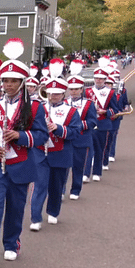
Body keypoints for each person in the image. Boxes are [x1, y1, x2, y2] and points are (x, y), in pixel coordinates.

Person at [0, 39, 48, 267]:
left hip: (21, 164)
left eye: (13, 81)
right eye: (5, 80)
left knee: (16, 209)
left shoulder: (35, 107)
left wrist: (21, 136)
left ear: (22, 82)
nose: (8, 84)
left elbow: (41, 136)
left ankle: (11, 244)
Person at [29, 65, 81, 232]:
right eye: (50, 93)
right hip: (40, 153)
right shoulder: (39, 108)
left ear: (63, 94)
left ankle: (53, 211)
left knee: (56, 186)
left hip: (61, 153)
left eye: (57, 93)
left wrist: (57, 128)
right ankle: (35, 217)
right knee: (39, 186)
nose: (53, 96)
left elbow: (75, 132)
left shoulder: (72, 111)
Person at [65, 60, 97, 197]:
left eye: (76, 89)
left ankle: (75, 190)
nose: (73, 92)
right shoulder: (64, 103)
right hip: (66, 139)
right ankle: (60, 190)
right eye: (71, 89)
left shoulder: (89, 103)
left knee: (78, 167)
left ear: (81, 89)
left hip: (82, 138)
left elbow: (92, 121)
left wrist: (78, 125)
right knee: (63, 168)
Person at [85, 57, 120, 178]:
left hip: (103, 123)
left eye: (101, 78)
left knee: (100, 149)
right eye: (96, 78)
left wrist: (105, 111)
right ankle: (85, 173)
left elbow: (115, 109)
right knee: (88, 150)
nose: (98, 80)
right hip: (90, 124)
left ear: (105, 80)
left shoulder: (110, 92)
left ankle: (97, 172)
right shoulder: (88, 91)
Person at [108, 69, 129, 163]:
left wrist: (126, 107)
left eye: (117, 77)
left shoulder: (123, 90)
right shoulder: (103, 92)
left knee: (113, 135)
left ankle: (111, 154)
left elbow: (125, 102)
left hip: (117, 116)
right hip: (105, 116)